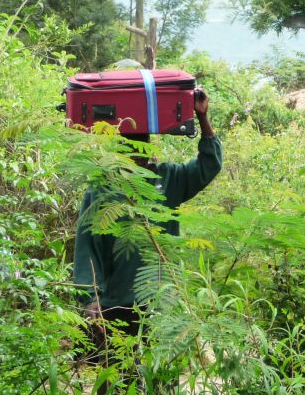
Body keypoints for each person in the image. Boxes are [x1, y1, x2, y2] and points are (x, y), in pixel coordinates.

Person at [73, 87, 222, 350]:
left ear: (148, 146)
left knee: (160, 377)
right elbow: (87, 244)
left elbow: (208, 166)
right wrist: (90, 296)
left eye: (138, 145)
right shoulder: (101, 187)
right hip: (115, 301)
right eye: (127, 145)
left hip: (161, 298)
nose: (134, 154)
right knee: (117, 379)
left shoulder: (168, 178)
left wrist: (202, 118)